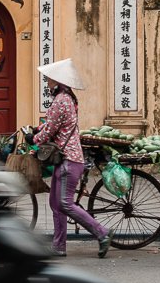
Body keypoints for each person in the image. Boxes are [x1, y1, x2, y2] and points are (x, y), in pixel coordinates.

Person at [32, 59, 112, 259]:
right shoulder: (66, 98)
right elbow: (52, 124)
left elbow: (50, 129)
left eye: (49, 78)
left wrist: (34, 138)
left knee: (65, 203)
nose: (47, 80)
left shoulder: (61, 101)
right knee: (56, 203)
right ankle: (59, 246)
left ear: (58, 80)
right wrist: (38, 129)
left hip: (69, 159)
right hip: (65, 159)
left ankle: (102, 233)